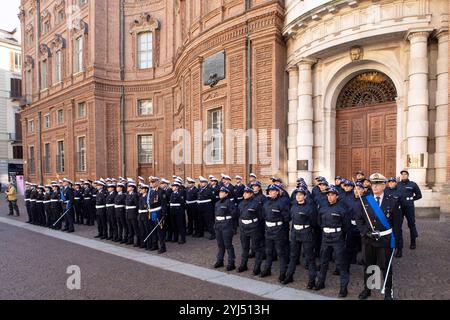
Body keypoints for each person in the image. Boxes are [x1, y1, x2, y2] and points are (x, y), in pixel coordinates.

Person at [355, 173, 400, 300]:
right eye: (373, 184)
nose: (375, 187)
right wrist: (365, 232)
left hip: (385, 240)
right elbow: (359, 220)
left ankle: (387, 292)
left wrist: (397, 242)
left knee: (386, 267)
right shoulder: (365, 200)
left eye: (378, 184)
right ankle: (369, 288)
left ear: (384, 185)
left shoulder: (393, 201)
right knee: (369, 265)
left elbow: (397, 224)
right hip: (369, 240)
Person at [315, 186, 350, 298]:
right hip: (325, 237)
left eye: (332, 195)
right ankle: (320, 282)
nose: (330, 197)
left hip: (337, 238)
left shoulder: (342, 209)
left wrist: (337, 233)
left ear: (337, 196)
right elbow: (319, 222)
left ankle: (343, 288)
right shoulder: (323, 208)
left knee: (341, 263)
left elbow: (346, 225)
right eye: (328, 195)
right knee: (323, 261)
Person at [284, 187, 318, 288]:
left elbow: (314, 222)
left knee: (310, 258)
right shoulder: (293, 206)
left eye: (300, 195)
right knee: (293, 256)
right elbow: (292, 219)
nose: (298, 196)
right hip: (295, 233)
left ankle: (312, 280)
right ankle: (289, 276)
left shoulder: (310, 208)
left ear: (305, 196)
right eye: (297, 195)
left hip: (306, 232)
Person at [260, 185, 290, 282]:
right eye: (269, 191)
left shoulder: (282, 203)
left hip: (278, 230)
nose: (271, 192)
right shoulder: (266, 203)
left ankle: (282, 272)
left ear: (277, 192)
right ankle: (267, 269)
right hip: (268, 229)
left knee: (280, 252)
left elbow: (286, 218)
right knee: (268, 251)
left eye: (273, 191)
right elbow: (264, 215)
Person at [237, 186, 265, 275]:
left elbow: (261, 217)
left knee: (256, 248)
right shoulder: (241, 203)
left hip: (254, 227)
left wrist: (259, 229)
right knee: (245, 247)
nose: (244, 194)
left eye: (247, 193)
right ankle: (243, 265)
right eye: (244, 193)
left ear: (251, 194)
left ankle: (257, 267)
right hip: (244, 227)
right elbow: (240, 215)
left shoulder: (256, 204)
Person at [213, 187, 237, 271]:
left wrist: (232, 227)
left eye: (223, 192)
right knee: (220, 244)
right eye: (220, 192)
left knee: (228, 245)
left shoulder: (230, 203)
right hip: (218, 225)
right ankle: (220, 260)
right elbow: (215, 215)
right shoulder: (217, 203)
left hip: (227, 225)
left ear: (226, 194)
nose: (220, 193)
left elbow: (234, 214)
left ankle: (231, 263)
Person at [397, 170, 421, 250]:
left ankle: (413, 242)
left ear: (408, 175)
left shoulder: (413, 184)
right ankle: (398, 243)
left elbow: (419, 195)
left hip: (409, 207)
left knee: (411, 224)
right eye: (402, 174)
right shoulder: (398, 184)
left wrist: (411, 199)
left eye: (405, 174)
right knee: (398, 225)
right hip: (400, 207)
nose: (403, 176)